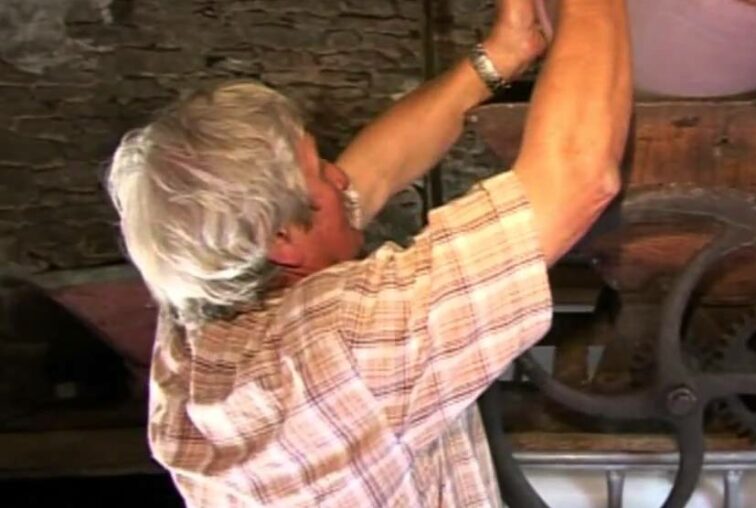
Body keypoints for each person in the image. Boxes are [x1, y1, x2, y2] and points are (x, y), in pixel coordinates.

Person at [103, 0, 631, 505]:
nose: (341, 177)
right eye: (321, 170)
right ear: (281, 241)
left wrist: (505, 51)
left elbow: (366, 179)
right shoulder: (340, 351)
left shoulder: (194, 326)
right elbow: (579, 178)